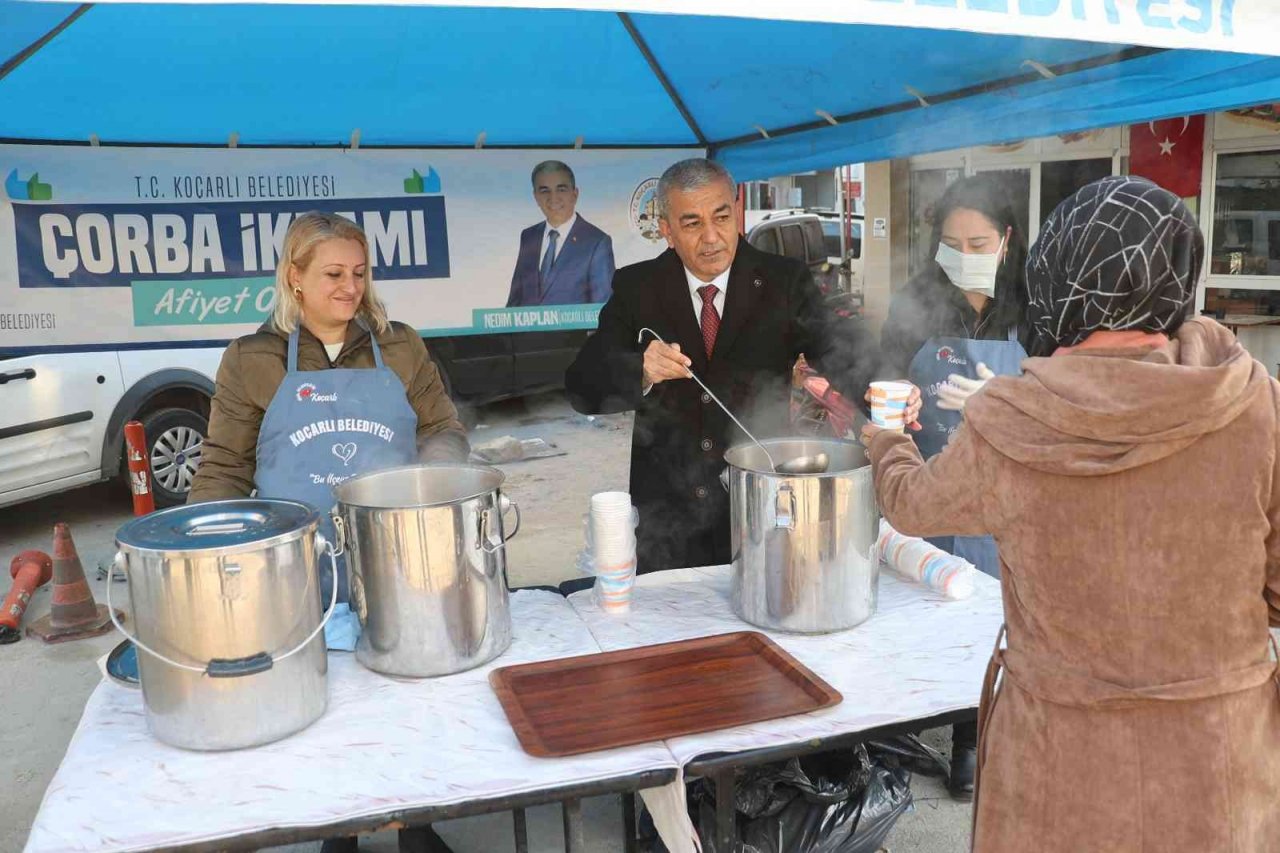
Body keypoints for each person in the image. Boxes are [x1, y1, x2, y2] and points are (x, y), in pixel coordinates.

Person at [862, 176, 1280, 852]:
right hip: (1219, 761)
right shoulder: (1258, 403)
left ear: (1055, 275)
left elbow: (911, 504)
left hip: (1062, 758)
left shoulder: (1013, 415)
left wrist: (885, 438)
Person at [565, 157, 881, 574]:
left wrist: (883, 389)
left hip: (761, 502)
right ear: (667, 230)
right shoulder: (638, 287)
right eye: (692, 223)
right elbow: (582, 386)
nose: (712, 237)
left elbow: (839, 350)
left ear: (736, 212)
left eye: (721, 217)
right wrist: (639, 368)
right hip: (668, 516)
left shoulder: (783, 282)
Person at [190, 211, 468, 606]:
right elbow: (225, 466)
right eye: (334, 274)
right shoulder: (252, 359)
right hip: (292, 568)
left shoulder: (400, 346)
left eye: (359, 273)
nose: (351, 287)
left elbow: (442, 430)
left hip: (396, 560)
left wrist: (432, 484)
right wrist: (201, 548)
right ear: (295, 276)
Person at [876, 175, 1030, 798]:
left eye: (978, 243)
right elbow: (882, 373)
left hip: (1007, 490)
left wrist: (1010, 397)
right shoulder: (916, 299)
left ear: (1006, 240)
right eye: (952, 243)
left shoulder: (1038, 304)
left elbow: (1065, 394)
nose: (964, 254)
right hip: (930, 480)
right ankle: (905, 724)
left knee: (994, 614)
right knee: (921, 605)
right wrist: (897, 399)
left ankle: (972, 734)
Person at [506, 160, 615, 307]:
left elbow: (604, 309)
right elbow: (514, 302)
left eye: (561, 189)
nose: (553, 198)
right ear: (536, 196)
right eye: (544, 190)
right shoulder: (528, 236)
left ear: (575, 194)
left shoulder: (597, 242)